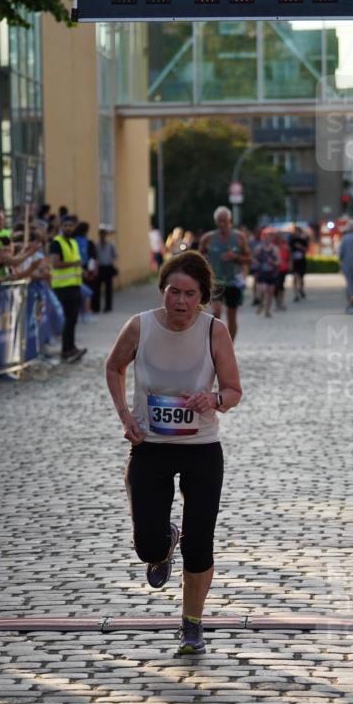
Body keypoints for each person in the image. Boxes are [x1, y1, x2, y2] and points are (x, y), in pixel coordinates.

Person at [105, 250, 242, 656]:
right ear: (162, 290)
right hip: (150, 448)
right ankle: (164, 542)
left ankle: (192, 625)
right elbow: (113, 367)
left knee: (200, 544)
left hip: (201, 449)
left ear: (202, 297)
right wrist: (125, 415)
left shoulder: (214, 331)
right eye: (172, 292)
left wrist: (214, 399)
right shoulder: (139, 327)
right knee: (148, 544)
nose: (179, 302)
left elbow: (234, 390)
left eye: (189, 294)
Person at [199, 206, 250, 343]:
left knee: (231, 315)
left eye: (225, 221)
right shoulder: (208, 238)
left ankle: (230, 345)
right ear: (216, 222)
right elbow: (198, 257)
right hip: (216, 281)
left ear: (230, 221)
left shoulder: (239, 237)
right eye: (219, 221)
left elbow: (249, 259)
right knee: (216, 312)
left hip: (233, 281)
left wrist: (236, 257)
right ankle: (215, 344)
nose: (222, 224)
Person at [50, 213, 86, 362]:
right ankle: (66, 350)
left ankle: (72, 347)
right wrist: (74, 264)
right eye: (66, 225)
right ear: (61, 227)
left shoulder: (73, 242)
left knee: (73, 319)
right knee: (67, 319)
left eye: (71, 225)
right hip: (62, 287)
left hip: (75, 285)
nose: (69, 228)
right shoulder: (56, 242)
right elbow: (55, 263)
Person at [338, 220, 353, 312]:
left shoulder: (345, 238)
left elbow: (341, 253)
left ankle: (352, 305)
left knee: (350, 286)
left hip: (347, 264)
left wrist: (341, 264)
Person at [96, 225, 118, 313]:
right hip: (99, 268)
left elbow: (115, 256)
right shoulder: (96, 245)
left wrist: (111, 259)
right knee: (97, 288)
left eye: (104, 234)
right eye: (101, 234)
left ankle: (108, 307)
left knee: (108, 288)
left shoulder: (110, 245)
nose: (102, 235)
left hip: (108, 267)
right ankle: (96, 307)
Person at [288, 224, 309, 302]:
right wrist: (290, 262)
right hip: (294, 261)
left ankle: (301, 289)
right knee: (295, 277)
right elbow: (289, 251)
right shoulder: (291, 241)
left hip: (301, 261)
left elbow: (306, 250)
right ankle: (296, 294)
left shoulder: (303, 240)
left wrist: (300, 247)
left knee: (301, 277)